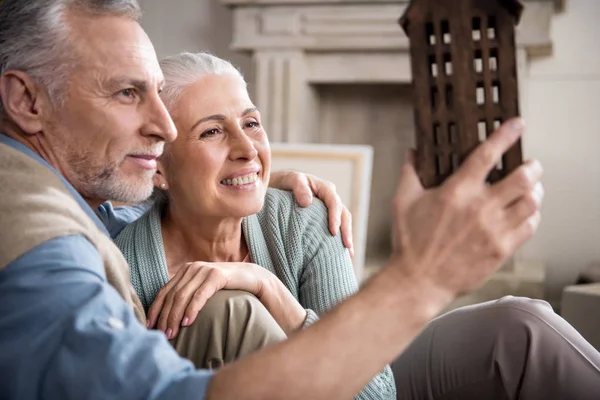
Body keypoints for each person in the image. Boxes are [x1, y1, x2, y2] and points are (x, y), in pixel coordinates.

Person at [0, 1, 599, 400]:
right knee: (231, 308)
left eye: (253, 123)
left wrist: (250, 183)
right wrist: (424, 275)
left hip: (360, 366)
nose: (157, 126)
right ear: (26, 100)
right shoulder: (69, 239)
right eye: (128, 93)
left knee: (522, 323)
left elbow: (377, 384)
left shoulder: (294, 212)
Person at [113, 51, 396, 399]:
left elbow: (378, 394)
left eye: (250, 124)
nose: (247, 149)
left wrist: (268, 287)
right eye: (212, 131)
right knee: (231, 309)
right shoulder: (125, 270)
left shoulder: (304, 219)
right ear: (158, 168)